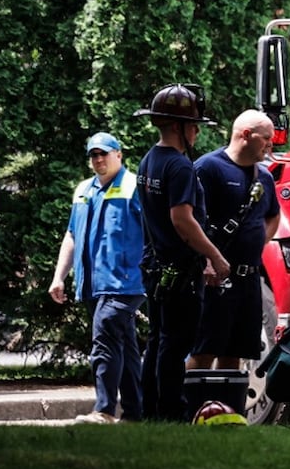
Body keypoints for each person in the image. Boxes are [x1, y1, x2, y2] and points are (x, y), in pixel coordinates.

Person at [135, 84, 231, 422]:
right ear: (177, 126)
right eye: (194, 125)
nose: (197, 131)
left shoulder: (149, 161)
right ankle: (171, 414)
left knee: (158, 342)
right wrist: (215, 256)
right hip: (179, 272)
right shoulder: (180, 167)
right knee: (174, 346)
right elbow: (182, 219)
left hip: (155, 267)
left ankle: (150, 412)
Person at [49, 131, 145, 424]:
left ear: (119, 155)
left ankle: (103, 410)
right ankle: (134, 414)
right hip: (94, 284)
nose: (99, 159)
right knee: (125, 346)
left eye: (104, 153)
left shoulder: (133, 187)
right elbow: (72, 234)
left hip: (126, 282)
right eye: (94, 154)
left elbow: (156, 231)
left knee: (104, 335)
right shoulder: (83, 190)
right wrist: (59, 276)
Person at [188, 110, 280, 373]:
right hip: (214, 278)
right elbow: (192, 220)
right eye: (266, 138)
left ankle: (226, 411)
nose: (271, 145)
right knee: (205, 349)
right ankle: (192, 410)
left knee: (235, 352)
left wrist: (257, 242)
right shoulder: (208, 168)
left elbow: (273, 216)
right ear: (246, 135)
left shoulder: (264, 177)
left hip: (249, 279)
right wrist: (206, 261)